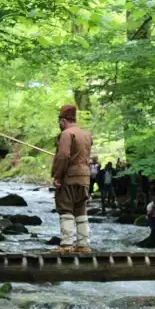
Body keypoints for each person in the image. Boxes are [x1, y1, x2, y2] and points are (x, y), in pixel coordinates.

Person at [51, 105, 93, 253]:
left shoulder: (66, 134)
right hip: (85, 179)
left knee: (66, 208)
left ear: (63, 120)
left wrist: (57, 176)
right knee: (81, 209)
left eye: (59, 121)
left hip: (69, 177)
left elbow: (63, 156)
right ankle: (83, 244)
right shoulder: (86, 134)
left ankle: (66, 244)